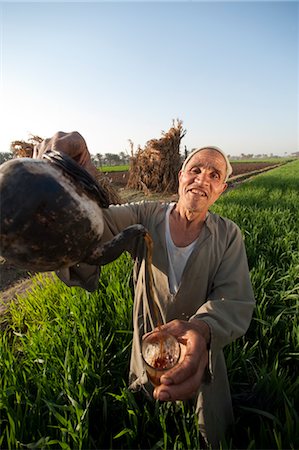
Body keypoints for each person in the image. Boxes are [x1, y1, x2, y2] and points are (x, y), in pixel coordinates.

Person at [34, 132, 255, 448]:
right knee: (145, 421)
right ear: (181, 177)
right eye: (195, 169)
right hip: (148, 346)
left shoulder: (228, 234)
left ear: (220, 190)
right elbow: (93, 227)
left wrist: (202, 329)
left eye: (214, 175)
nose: (202, 178)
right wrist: (63, 187)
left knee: (206, 429)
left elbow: (232, 298)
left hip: (199, 352)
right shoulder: (144, 216)